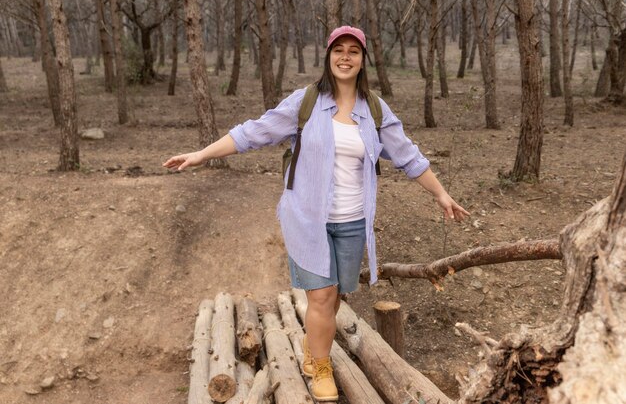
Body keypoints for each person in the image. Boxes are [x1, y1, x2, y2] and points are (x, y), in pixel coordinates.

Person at [164, 26, 469, 401]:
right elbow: (252, 133)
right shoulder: (304, 103)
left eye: (353, 52)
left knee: (336, 295)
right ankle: (319, 367)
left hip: (354, 220)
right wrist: (200, 155)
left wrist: (441, 194)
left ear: (362, 61)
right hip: (308, 220)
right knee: (322, 297)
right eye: (338, 50)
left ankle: (314, 345)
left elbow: (408, 155)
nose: (345, 57)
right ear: (328, 56)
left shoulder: (374, 109)